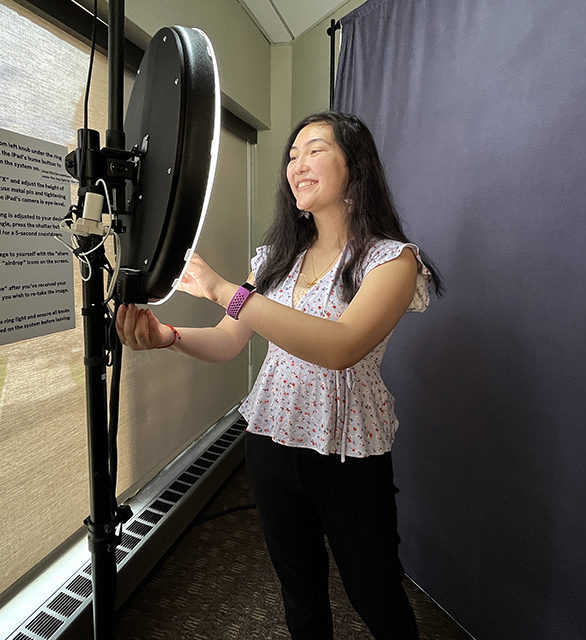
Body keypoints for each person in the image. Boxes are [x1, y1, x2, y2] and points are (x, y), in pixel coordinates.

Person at [116, 111, 442, 640]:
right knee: (299, 589)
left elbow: (339, 348)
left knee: (374, 590)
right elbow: (227, 340)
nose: (296, 164)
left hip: (347, 454)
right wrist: (168, 336)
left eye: (313, 150)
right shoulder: (274, 259)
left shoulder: (393, 261)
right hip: (269, 441)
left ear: (355, 166)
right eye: (291, 156)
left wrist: (226, 292)